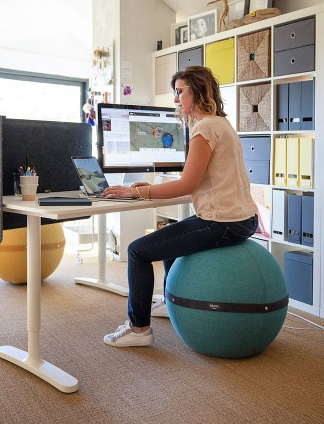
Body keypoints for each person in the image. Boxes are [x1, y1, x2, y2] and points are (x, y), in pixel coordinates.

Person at [102, 66, 258, 347]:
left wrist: (137, 193)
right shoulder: (221, 123)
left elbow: (186, 185)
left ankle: (139, 329)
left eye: (179, 92)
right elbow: (199, 179)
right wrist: (144, 189)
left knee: (137, 251)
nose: (175, 100)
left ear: (197, 90)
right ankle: (169, 299)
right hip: (243, 219)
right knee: (171, 231)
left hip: (222, 222)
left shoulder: (204, 129)